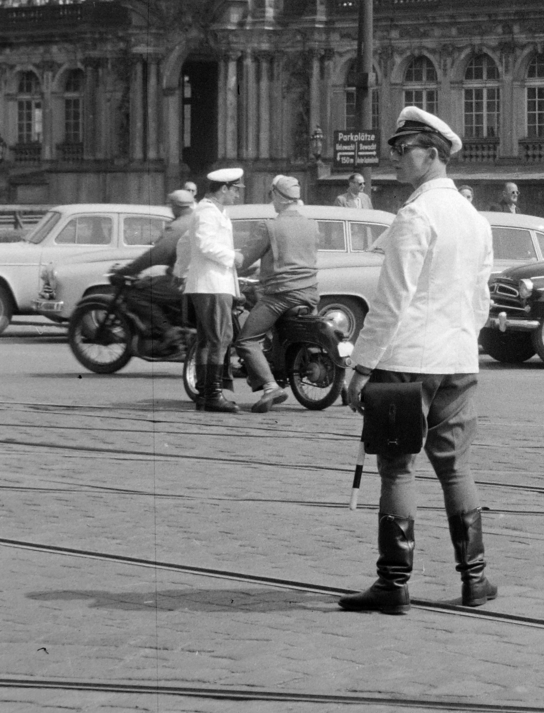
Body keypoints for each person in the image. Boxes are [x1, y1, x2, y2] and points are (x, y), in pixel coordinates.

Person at [339, 106, 497, 615]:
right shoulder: (475, 219)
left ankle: (393, 584)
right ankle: (475, 579)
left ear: (432, 155)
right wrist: (461, 340)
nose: (394, 160)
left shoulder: (414, 215)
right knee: (455, 468)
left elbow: (391, 301)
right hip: (457, 360)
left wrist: (360, 367)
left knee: (397, 470)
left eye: (403, 151)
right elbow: (480, 299)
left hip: (407, 360)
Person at [234, 175, 319, 413]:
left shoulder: (268, 226)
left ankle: (271, 386)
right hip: (310, 293)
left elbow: (243, 259)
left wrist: (221, 257)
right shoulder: (312, 225)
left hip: (281, 295)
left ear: (278, 197)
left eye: (271, 195)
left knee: (247, 339)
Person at [178, 167, 246, 414]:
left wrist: (181, 270)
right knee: (218, 339)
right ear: (224, 189)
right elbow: (205, 244)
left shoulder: (214, 211)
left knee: (211, 339)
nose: (238, 195)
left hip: (212, 283)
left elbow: (185, 243)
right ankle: (213, 394)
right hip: (211, 284)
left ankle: (206, 394)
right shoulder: (207, 211)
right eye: (236, 190)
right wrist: (232, 256)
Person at [109, 188, 196, 349]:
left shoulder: (178, 226)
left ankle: (168, 332)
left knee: (136, 295)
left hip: (182, 281)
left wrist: (128, 269)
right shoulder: (197, 220)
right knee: (153, 282)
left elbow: (157, 254)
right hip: (196, 277)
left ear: (176, 206)